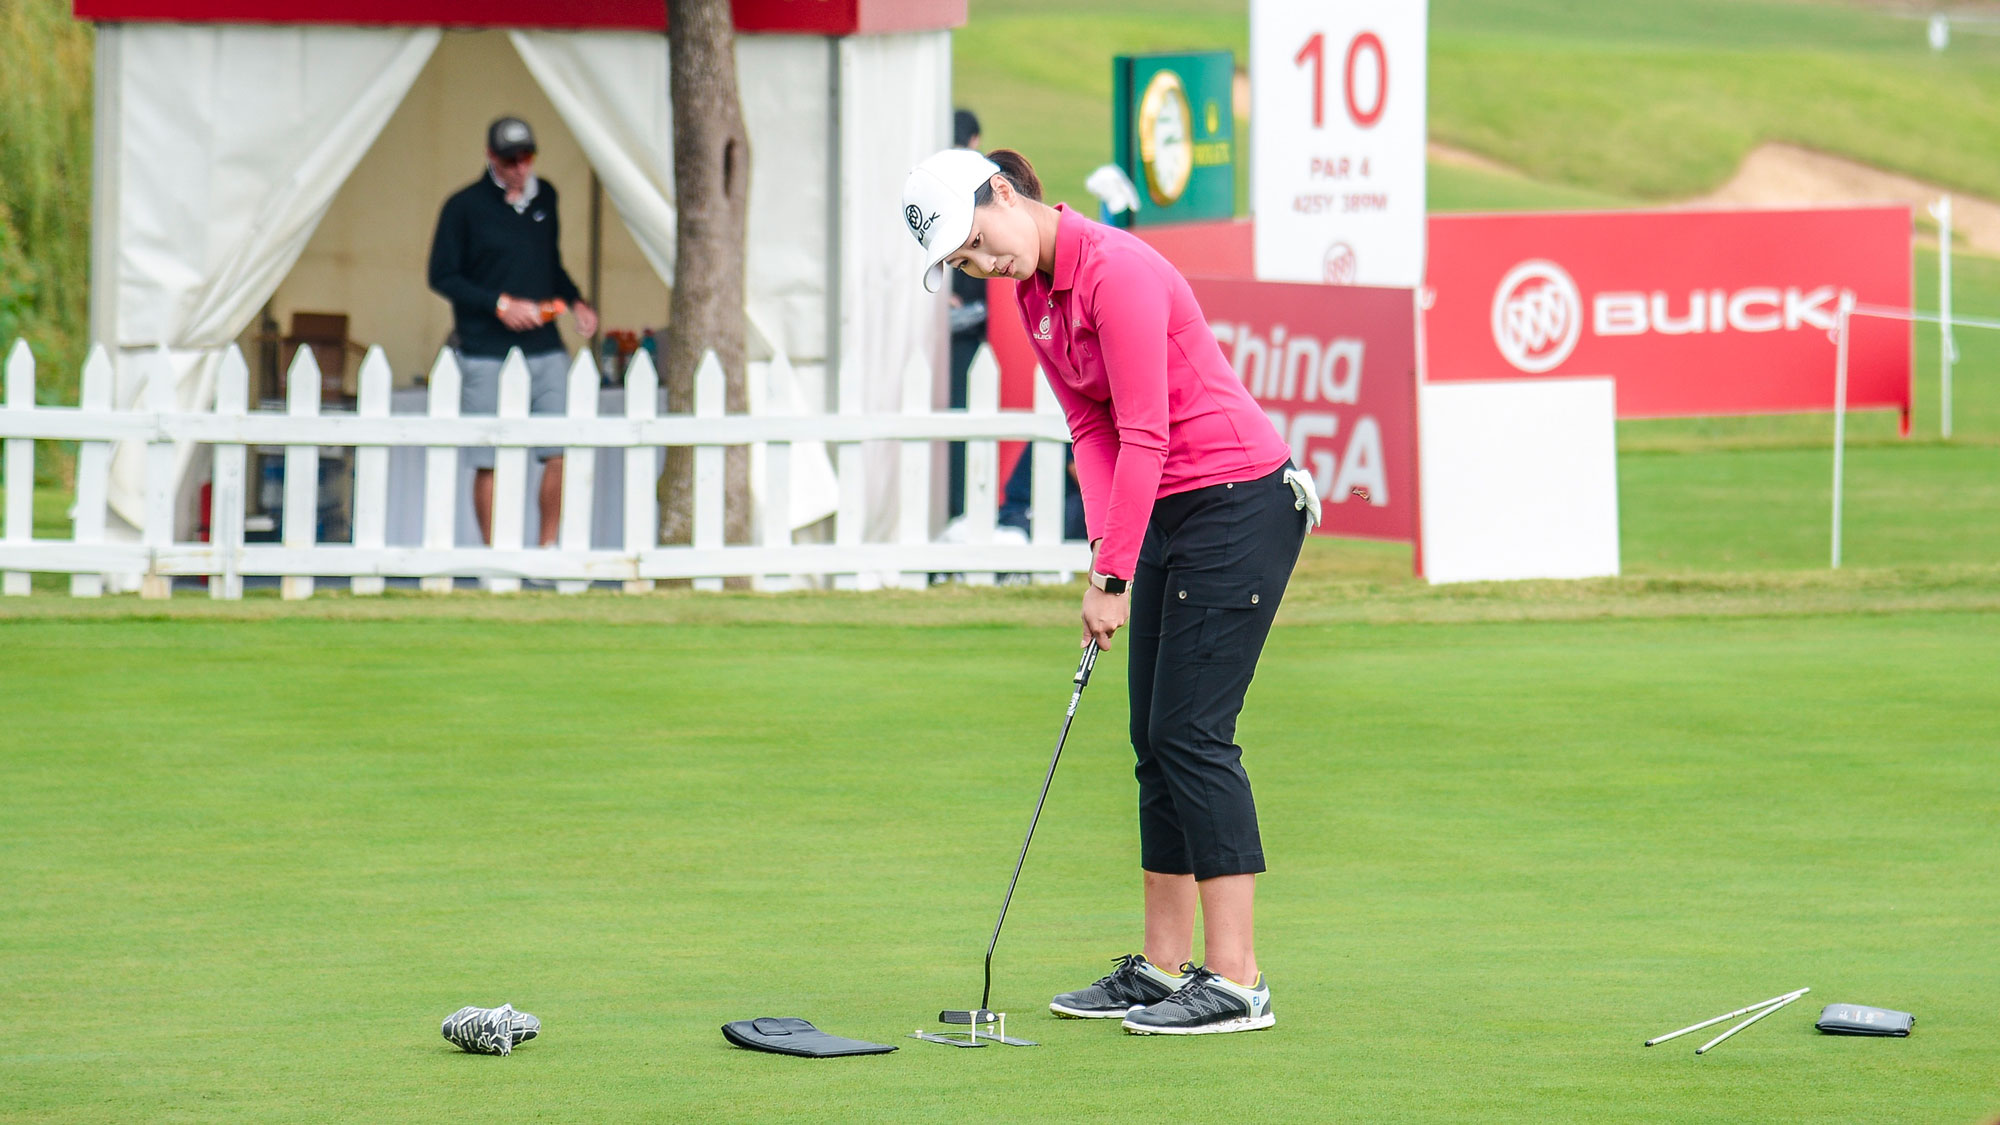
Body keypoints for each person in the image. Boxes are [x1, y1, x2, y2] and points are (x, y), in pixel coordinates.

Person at [901, 147, 1320, 1036]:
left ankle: (1240, 982)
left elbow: (1146, 431)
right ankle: (1166, 968)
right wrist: (1107, 549)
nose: (985, 265)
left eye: (981, 241)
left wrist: (1112, 577)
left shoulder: (1118, 271)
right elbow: (1088, 427)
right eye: (966, 262)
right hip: (1168, 510)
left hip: (1237, 503)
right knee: (1151, 737)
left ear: (1006, 193)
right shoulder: (1034, 300)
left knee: (1193, 733)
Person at [427, 116, 598, 546]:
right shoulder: (463, 206)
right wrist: (499, 304)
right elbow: (442, 275)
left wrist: (576, 301)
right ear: (490, 157)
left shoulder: (548, 198)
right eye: (510, 160)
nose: (520, 167)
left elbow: (550, 265)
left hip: (543, 346)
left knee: (558, 451)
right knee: (490, 457)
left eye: (527, 157)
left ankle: (545, 550)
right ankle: (493, 555)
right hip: (484, 346)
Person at [946, 108, 987, 520]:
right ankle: (962, 513)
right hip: (970, 340)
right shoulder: (984, 189)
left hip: (962, 337)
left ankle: (959, 513)